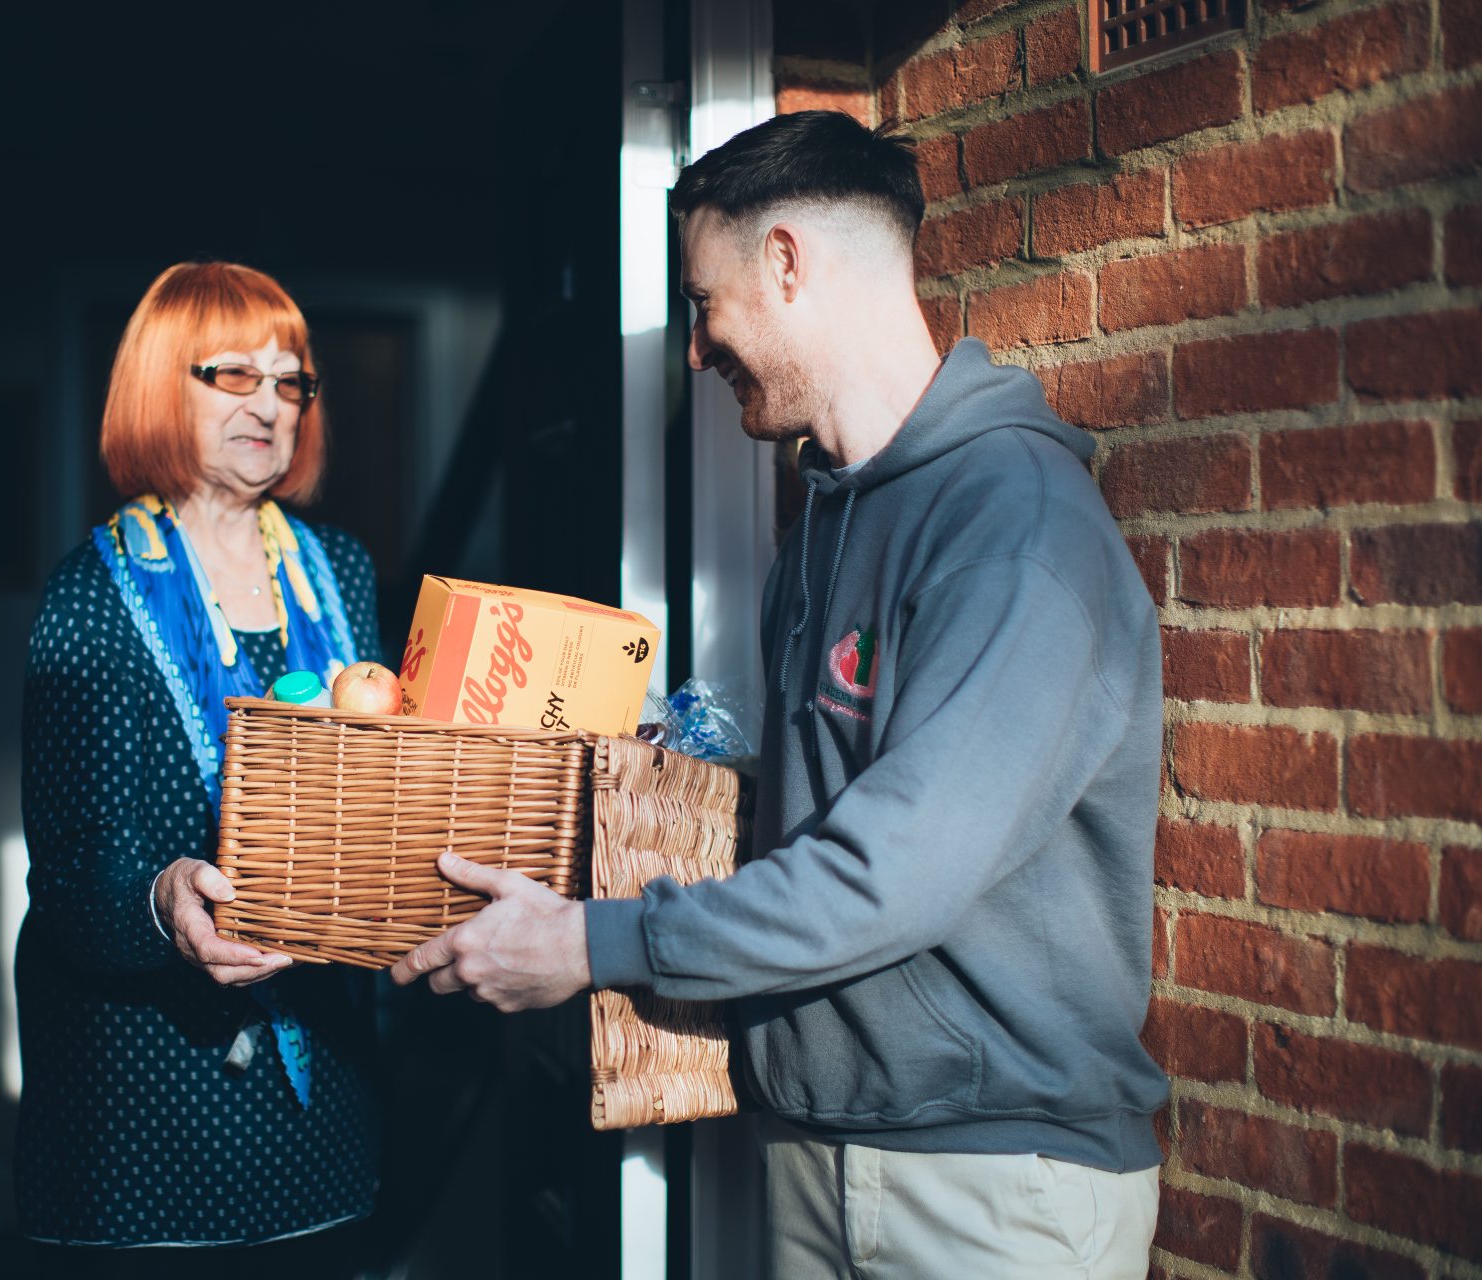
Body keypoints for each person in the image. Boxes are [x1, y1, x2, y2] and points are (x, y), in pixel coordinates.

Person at [392, 111, 1169, 1278]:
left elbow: (885, 871)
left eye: (703, 302)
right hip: (819, 1150)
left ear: (788, 261)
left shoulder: (1015, 532)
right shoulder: (825, 520)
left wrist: (593, 941)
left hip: (992, 1187)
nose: (696, 349)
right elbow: (822, 810)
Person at [18, 261, 381, 1278]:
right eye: (234, 375)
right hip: (145, 1118)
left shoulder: (341, 569)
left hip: (323, 1108)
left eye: (291, 380)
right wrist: (165, 897)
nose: (269, 405)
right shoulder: (90, 592)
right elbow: (71, 873)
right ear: (161, 387)